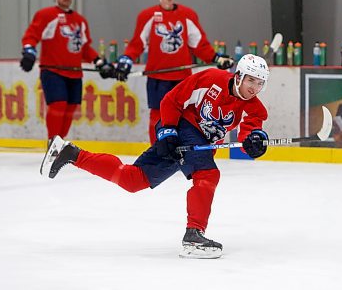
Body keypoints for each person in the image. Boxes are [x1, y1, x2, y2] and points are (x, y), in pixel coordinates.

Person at [40, 54, 270, 259]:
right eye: (251, 80)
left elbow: (249, 133)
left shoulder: (255, 107)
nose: (254, 88)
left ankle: (70, 153)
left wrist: (254, 142)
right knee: (208, 174)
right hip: (183, 128)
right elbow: (172, 100)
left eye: (260, 83)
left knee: (133, 179)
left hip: (198, 145)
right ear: (238, 76)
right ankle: (194, 234)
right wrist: (168, 131)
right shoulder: (211, 79)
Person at [105, 0, 234, 144]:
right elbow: (138, 43)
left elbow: (199, 44)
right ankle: (157, 149)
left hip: (183, 78)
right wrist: (126, 60)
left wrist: (216, 57)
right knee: (157, 115)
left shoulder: (188, 15)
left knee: (185, 114)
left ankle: (183, 148)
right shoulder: (148, 16)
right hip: (158, 77)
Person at [20, 0, 113, 142]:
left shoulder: (80, 20)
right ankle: (52, 142)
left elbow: (84, 48)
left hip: (74, 74)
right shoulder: (46, 15)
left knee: (70, 109)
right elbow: (31, 35)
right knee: (58, 105)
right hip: (53, 71)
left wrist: (99, 62)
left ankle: (60, 144)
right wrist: (29, 51)